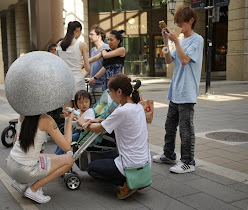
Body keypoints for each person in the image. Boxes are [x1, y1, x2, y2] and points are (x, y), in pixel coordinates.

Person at [77, 73, 150, 200]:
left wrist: (84, 122)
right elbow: (107, 121)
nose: (109, 94)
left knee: (92, 168)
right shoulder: (137, 106)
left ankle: (127, 183)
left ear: (119, 92)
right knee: (105, 156)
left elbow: (97, 129)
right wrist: (96, 120)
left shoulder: (122, 111)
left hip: (130, 164)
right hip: (145, 161)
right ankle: (138, 179)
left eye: (110, 91)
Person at [152, 5, 204, 174]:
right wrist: (167, 40)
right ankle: (168, 154)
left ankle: (188, 161)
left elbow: (184, 60)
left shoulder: (197, 40)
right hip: (175, 91)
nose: (179, 27)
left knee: (186, 129)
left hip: (187, 92)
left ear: (191, 21)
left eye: (181, 23)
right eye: (177, 23)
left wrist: (175, 41)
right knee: (169, 126)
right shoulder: (180, 41)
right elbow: (168, 60)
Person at [7, 111, 75, 204]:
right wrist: (68, 121)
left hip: (11, 163)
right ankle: (33, 190)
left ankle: (21, 183)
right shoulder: (46, 119)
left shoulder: (22, 114)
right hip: (25, 171)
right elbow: (66, 146)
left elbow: (16, 142)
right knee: (69, 160)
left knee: (55, 156)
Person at [57, 21, 90, 107]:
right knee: (78, 110)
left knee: (66, 111)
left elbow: (58, 65)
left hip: (64, 80)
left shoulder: (59, 45)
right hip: (77, 80)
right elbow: (88, 69)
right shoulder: (81, 45)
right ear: (78, 29)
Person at [54, 90, 95, 155]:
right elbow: (72, 119)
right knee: (61, 138)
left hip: (82, 134)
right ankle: (56, 154)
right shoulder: (78, 111)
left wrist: (77, 118)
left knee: (64, 140)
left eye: (86, 102)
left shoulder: (90, 111)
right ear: (76, 103)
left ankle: (57, 155)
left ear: (90, 102)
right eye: (80, 102)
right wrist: (69, 116)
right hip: (75, 131)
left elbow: (89, 121)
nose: (84, 104)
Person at [87, 25, 109, 104]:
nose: (90, 36)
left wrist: (95, 78)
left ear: (99, 35)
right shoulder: (92, 50)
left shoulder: (106, 48)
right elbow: (91, 67)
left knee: (101, 108)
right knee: (92, 108)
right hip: (92, 84)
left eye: (92, 34)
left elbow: (106, 66)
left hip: (101, 84)